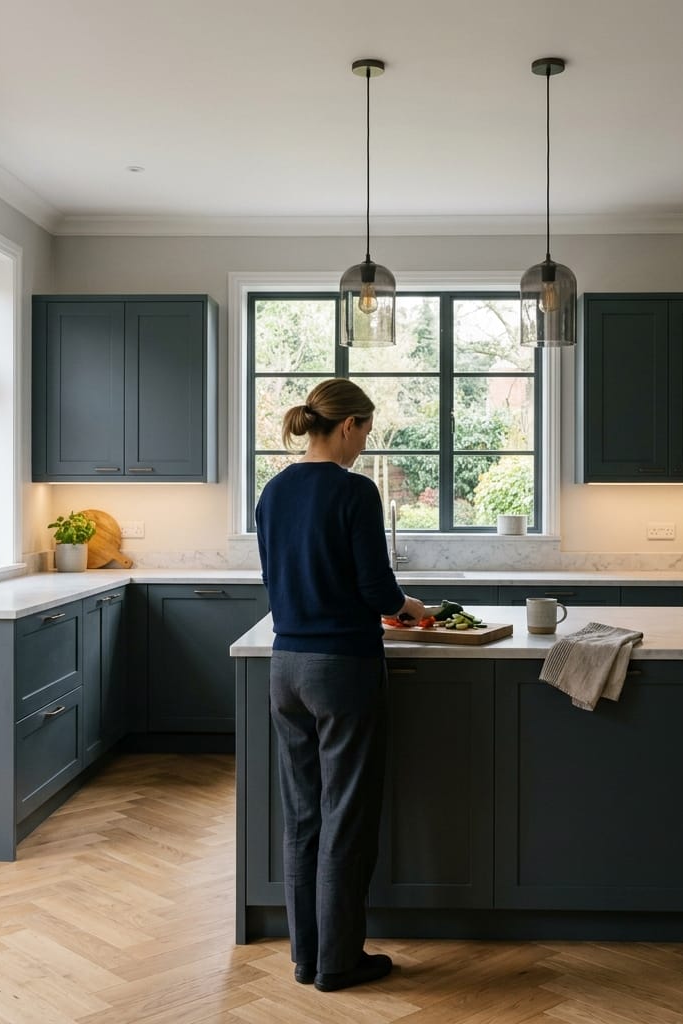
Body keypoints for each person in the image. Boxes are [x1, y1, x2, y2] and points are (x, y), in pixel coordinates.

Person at [255, 378, 426, 993]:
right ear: (348, 426)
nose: (364, 446)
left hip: (286, 667)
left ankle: (306, 958)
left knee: (302, 818)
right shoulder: (355, 491)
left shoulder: (273, 491)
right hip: (342, 668)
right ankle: (339, 963)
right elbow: (377, 590)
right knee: (345, 817)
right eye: (366, 433)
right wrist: (410, 608)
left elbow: (279, 575)